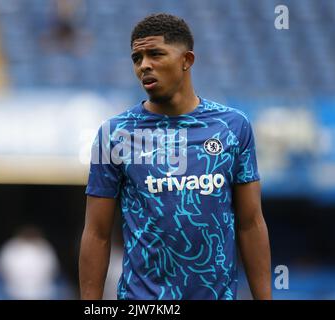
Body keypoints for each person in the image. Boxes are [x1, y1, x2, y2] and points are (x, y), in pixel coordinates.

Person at [79, 13, 271, 300]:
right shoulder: (114, 134)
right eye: (137, 58)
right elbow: (97, 233)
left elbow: (251, 222)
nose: (144, 65)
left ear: (187, 60)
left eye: (155, 54)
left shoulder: (232, 127)